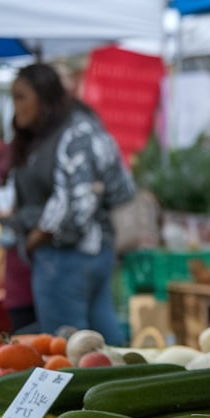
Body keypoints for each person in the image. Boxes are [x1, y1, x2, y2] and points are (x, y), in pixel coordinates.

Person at [8, 63, 135, 343]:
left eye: (21, 97)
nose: (15, 106)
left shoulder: (73, 133)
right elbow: (119, 187)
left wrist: (34, 239)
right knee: (107, 343)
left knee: (66, 349)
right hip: (96, 252)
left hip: (63, 257)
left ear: (44, 96)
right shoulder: (83, 127)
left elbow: (77, 205)